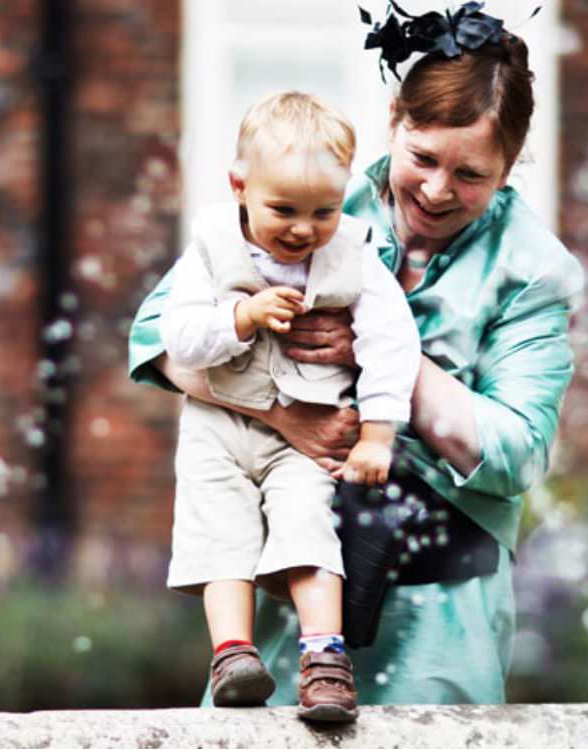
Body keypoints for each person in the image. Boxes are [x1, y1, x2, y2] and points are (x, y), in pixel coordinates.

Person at [129, 3, 584, 706]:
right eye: (423, 158)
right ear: (394, 122)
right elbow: (156, 336)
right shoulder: (312, 202)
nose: (437, 190)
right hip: (298, 571)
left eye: (471, 174)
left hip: (440, 592)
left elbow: (517, 452)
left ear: (511, 165)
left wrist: (385, 362)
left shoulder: (532, 269)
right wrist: (285, 419)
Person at [156, 91, 420, 722]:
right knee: (219, 530)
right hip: (219, 429)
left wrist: (378, 434)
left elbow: (392, 341)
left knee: (308, 523)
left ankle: (325, 660)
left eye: (323, 211)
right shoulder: (212, 249)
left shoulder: (351, 254)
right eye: (284, 210)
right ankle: (233, 656)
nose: (304, 229)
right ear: (239, 187)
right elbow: (177, 338)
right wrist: (241, 318)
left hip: (304, 440)